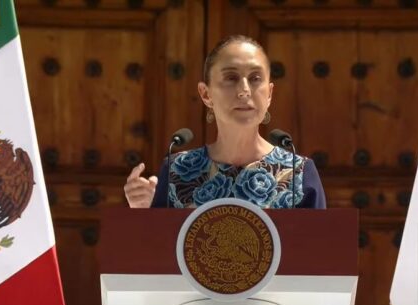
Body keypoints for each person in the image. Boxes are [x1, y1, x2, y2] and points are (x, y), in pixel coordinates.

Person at [123, 35, 326, 209]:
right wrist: (142, 211)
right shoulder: (177, 170)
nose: (244, 90)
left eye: (255, 78)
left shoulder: (298, 172)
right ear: (205, 94)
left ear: (270, 93)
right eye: (231, 77)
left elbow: (319, 251)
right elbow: (157, 249)